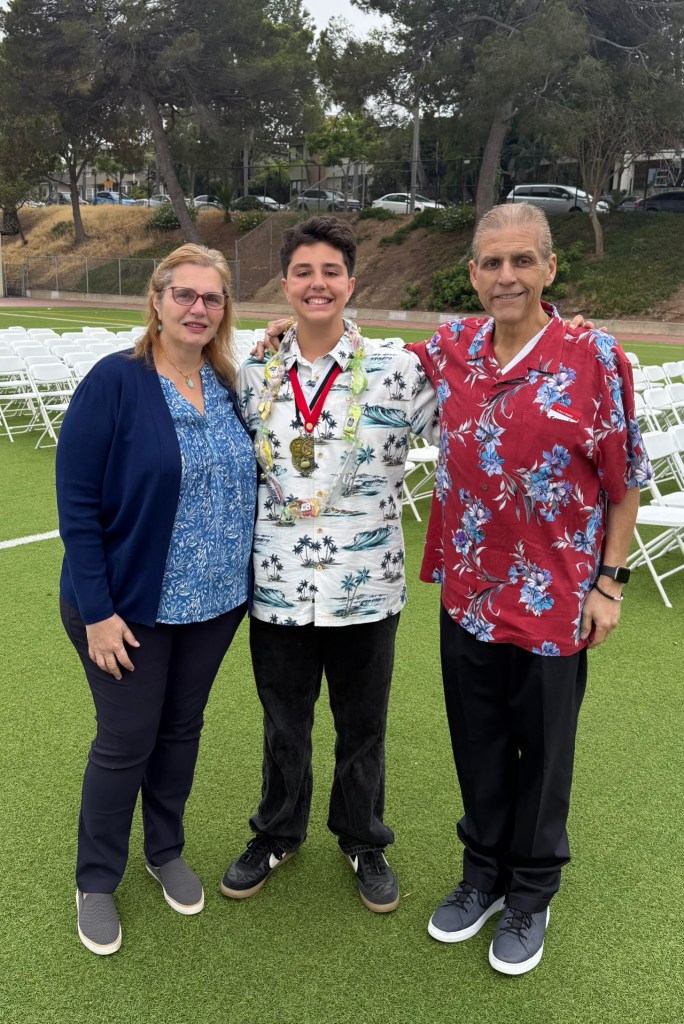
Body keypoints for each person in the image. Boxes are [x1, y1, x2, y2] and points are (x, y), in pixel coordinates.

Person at [410, 202, 651, 974]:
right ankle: (482, 874)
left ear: (550, 268)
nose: (506, 275)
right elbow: (361, 367)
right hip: (469, 597)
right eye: (491, 262)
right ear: (473, 273)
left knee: (543, 755)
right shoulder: (453, 347)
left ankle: (531, 893)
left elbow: (625, 481)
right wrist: (286, 335)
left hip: (556, 601)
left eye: (522, 260)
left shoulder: (594, 356)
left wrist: (610, 583)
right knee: (477, 743)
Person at [221, 216, 438, 913]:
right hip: (278, 584)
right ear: (285, 283)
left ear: (352, 281)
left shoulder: (398, 372)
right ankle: (277, 832)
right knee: (283, 723)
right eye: (304, 272)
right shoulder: (252, 374)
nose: (318, 284)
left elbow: (472, 422)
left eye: (331, 272)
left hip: (366, 587)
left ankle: (363, 839)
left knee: (362, 725)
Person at [56, 244, 256, 955]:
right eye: (185, 295)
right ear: (157, 300)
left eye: (212, 298)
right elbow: (77, 505)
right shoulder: (117, 381)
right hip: (127, 607)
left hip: (214, 604)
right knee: (125, 741)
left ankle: (164, 849)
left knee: (180, 731)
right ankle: (96, 880)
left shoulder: (228, 383)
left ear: (224, 310)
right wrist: (98, 613)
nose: (198, 308)